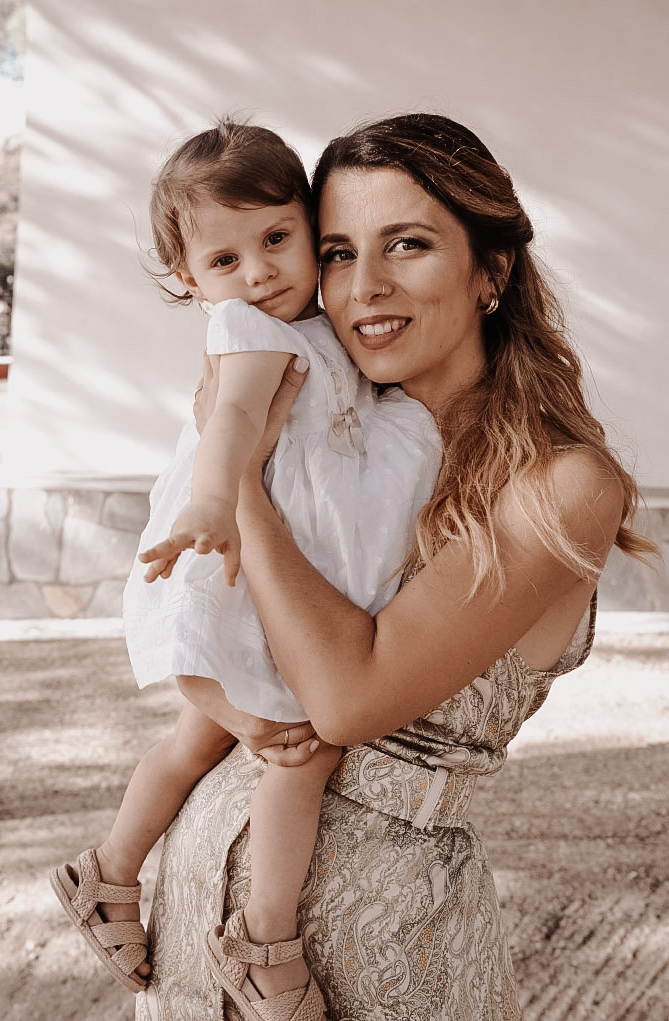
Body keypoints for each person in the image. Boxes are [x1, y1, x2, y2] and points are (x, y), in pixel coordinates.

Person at [132, 112, 656, 1021]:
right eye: (337, 252)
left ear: (492, 270)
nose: (364, 286)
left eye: (407, 244)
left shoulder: (561, 484)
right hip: (195, 933)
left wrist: (242, 480)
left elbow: (346, 699)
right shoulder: (331, 438)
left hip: (384, 958)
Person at [49, 120, 441, 1021]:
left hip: (262, 565)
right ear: (190, 280)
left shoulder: (320, 328)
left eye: (276, 238)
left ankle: (108, 869)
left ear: (309, 227)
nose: (259, 272)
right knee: (303, 750)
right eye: (226, 260)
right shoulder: (251, 330)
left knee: (197, 737)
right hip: (227, 557)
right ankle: (265, 941)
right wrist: (212, 503)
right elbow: (230, 422)